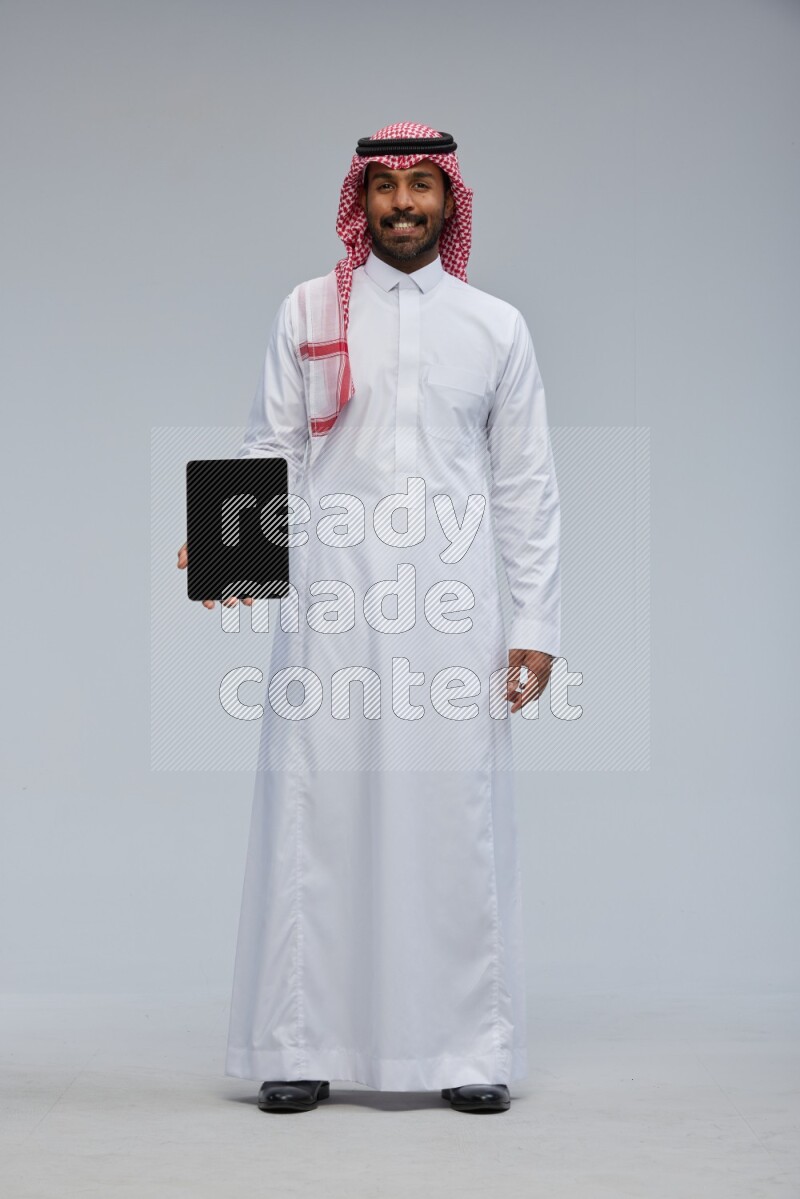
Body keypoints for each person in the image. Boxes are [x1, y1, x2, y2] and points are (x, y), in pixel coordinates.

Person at [177, 122, 561, 1115]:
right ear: (360, 198)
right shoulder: (307, 307)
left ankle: (469, 1050)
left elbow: (525, 486)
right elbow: (270, 448)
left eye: (421, 187)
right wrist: (230, 557)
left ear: (448, 199)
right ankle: (299, 1042)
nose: (400, 205)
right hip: (330, 605)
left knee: (454, 820)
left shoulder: (495, 326)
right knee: (318, 815)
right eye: (383, 187)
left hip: (452, 610)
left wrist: (535, 624)